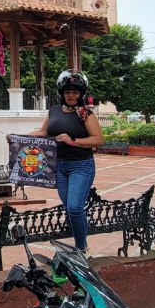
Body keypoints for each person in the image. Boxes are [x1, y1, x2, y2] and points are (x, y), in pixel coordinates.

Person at [29, 70, 103, 257]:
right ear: (62, 93)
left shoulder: (85, 113)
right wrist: (17, 137)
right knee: (71, 208)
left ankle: (81, 248)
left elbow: (98, 139)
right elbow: (42, 132)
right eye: (68, 91)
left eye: (75, 92)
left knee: (75, 207)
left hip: (80, 165)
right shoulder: (54, 110)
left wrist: (73, 141)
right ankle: (80, 237)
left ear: (81, 94)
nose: (71, 95)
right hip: (59, 166)